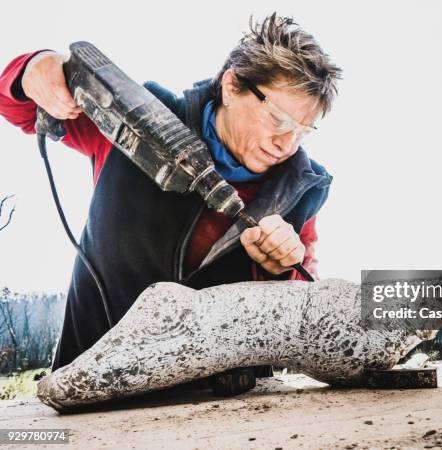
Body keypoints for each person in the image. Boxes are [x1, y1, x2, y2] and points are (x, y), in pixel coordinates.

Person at [0, 13, 342, 386]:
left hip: (224, 406)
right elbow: (15, 106)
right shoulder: (137, 121)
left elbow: (303, 308)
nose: (286, 144)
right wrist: (33, 68)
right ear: (233, 85)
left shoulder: (301, 188)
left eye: (301, 131)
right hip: (92, 385)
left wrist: (282, 268)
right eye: (277, 120)